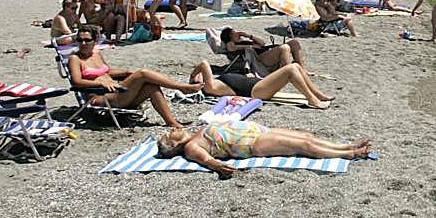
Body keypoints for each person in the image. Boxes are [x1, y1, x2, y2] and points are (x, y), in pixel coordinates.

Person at [67, 25, 199, 128]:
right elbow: (76, 82)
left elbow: (106, 72)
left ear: (95, 41)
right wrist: (100, 84)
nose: (83, 43)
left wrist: (126, 72)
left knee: (151, 87)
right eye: (80, 40)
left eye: (87, 40)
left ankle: (172, 122)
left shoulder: (96, 54)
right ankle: (182, 87)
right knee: (142, 73)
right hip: (102, 99)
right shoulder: (75, 58)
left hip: (118, 94)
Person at [155, 121, 370, 180]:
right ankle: (348, 154)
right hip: (250, 143)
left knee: (306, 137)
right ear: (173, 145)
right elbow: (207, 160)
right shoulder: (192, 147)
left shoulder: (194, 134)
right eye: (168, 135)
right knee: (303, 146)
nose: (171, 130)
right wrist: (220, 167)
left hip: (255, 131)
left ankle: (345, 146)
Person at [188, 59, 334, 109]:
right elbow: (204, 63)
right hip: (256, 92)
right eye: (199, 78)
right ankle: (311, 99)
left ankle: (317, 94)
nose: (201, 75)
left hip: (258, 85)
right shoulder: (209, 87)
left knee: (295, 66)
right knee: (290, 69)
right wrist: (193, 75)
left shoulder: (217, 81)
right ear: (198, 84)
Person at [217, 26, 310, 74]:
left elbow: (262, 43)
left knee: (294, 43)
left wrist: (248, 36)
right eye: (234, 33)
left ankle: (303, 69)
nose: (237, 33)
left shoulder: (244, 41)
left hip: (265, 54)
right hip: (259, 60)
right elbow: (231, 48)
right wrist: (250, 47)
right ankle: (290, 73)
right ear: (230, 36)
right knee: (284, 48)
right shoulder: (231, 44)